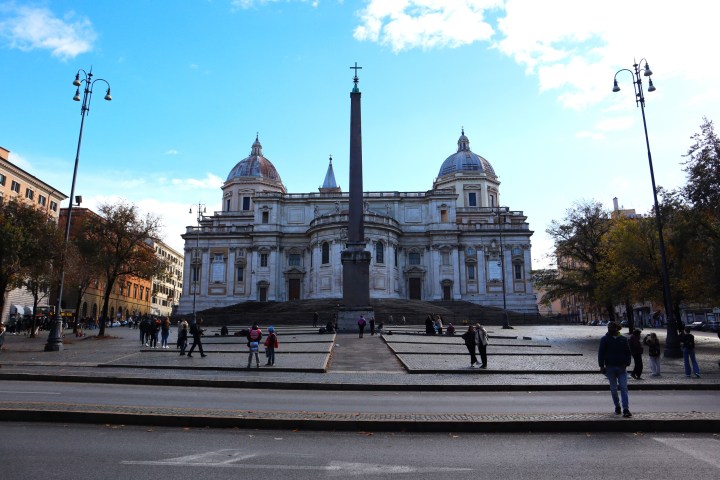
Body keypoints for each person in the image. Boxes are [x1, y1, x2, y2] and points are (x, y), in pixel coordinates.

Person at [598, 321, 632, 417]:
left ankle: (625, 409)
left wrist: (626, 363)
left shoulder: (623, 339)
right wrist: (601, 365)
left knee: (624, 388)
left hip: (622, 368)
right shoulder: (604, 339)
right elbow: (601, 353)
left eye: (611, 327)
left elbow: (628, 352)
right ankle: (617, 406)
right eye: (608, 327)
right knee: (613, 389)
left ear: (616, 328)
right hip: (610, 367)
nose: (609, 329)